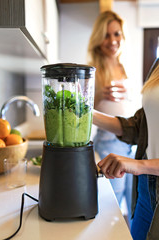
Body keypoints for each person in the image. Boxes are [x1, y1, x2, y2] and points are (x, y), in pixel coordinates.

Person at [93, 59, 159, 240]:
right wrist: (87, 112)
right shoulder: (157, 64)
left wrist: (140, 165)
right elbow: (139, 127)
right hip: (146, 190)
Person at [87, 10, 136, 225]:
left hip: (131, 143)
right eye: (106, 35)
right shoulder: (92, 69)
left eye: (116, 34)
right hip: (108, 142)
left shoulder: (126, 67)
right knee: (112, 205)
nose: (112, 40)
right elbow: (84, 109)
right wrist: (98, 96)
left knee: (131, 205)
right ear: (98, 39)